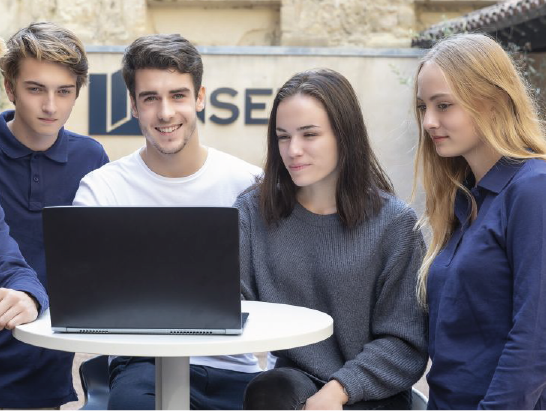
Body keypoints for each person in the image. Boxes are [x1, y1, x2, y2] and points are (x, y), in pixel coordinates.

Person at [73, 33, 262, 411]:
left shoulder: (250, 185)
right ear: (133, 106)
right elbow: (80, 291)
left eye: (177, 95)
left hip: (234, 366)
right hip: (141, 366)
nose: (165, 113)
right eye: (150, 98)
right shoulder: (103, 189)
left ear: (200, 97)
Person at [235, 68, 428, 411]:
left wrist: (338, 391)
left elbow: (405, 342)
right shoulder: (253, 213)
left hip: (374, 391)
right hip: (292, 386)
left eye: (309, 134)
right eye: (282, 136)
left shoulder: (395, 224)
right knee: (268, 389)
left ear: (344, 135)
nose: (293, 150)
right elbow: (228, 301)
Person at [414, 33, 546, 410]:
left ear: (494, 102)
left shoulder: (533, 189)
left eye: (444, 105)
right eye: (424, 107)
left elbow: (535, 337)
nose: (429, 121)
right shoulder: (465, 198)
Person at [0, 22, 109, 409]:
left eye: (64, 91)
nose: (51, 106)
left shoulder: (91, 158)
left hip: (43, 363)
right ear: (10, 88)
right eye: (36, 89)